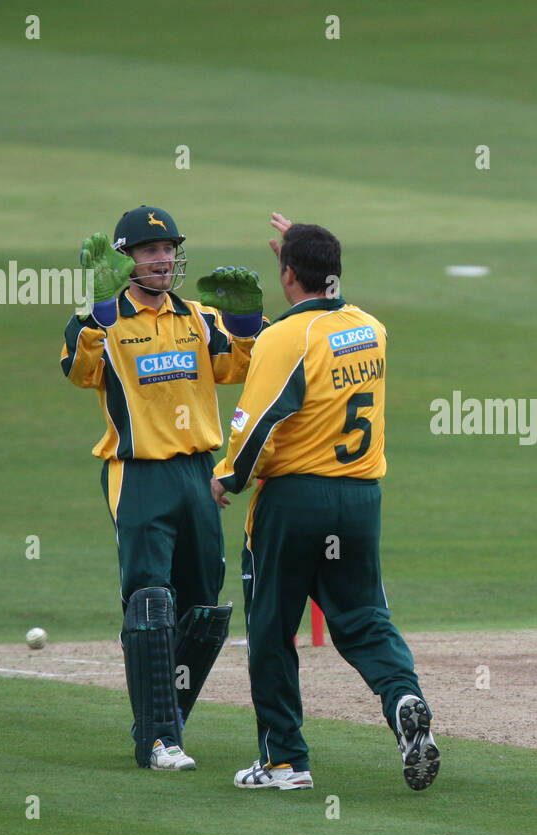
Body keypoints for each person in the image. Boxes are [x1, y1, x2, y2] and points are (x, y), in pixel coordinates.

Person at [211, 214, 439, 792]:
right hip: (360, 500)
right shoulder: (371, 328)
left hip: (295, 501)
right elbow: (329, 307)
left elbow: (257, 422)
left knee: (270, 628)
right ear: (335, 273)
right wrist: (305, 251)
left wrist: (228, 478)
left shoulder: (282, 337)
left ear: (286, 274)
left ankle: (286, 762)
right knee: (363, 620)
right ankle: (403, 700)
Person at [61, 205, 266, 770]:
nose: (164, 259)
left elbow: (242, 367)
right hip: (139, 471)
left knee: (202, 607)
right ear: (125, 261)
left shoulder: (198, 317)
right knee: (151, 598)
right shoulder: (104, 317)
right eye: (151, 251)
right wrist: (98, 312)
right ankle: (156, 738)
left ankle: (163, 722)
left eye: (169, 248)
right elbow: (79, 371)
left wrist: (249, 321)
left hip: (197, 473)